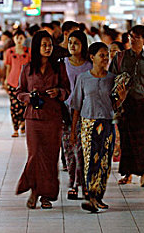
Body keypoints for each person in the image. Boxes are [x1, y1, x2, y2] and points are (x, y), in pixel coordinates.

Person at [69, 42, 127, 212]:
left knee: (104, 162)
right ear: (92, 57)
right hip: (88, 124)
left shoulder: (112, 79)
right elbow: (76, 106)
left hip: (107, 124)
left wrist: (121, 98)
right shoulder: (83, 78)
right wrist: (73, 131)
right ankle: (92, 197)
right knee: (90, 162)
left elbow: (114, 106)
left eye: (107, 55)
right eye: (102, 55)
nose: (105, 58)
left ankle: (98, 197)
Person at [16, 31, 70, 210]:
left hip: (53, 117)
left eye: (50, 45)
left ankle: (46, 196)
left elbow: (67, 90)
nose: (48, 48)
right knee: (34, 156)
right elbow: (18, 92)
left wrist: (58, 93)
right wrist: (28, 98)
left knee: (50, 157)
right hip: (33, 117)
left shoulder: (59, 68)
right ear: (37, 47)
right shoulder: (27, 68)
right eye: (44, 45)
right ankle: (33, 190)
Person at [109, 25, 144, 187]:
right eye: (131, 36)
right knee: (126, 139)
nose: (133, 39)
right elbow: (111, 79)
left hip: (142, 103)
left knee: (143, 139)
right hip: (124, 104)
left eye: (137, 37)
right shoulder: (120, 58)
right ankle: (128, 173)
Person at [62, 30, 92, 200]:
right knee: (69, 150)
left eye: (76, 43)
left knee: (82, 150)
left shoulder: (89, 65)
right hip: (66, 112)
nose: (72, 46)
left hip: (84, 112)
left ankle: (83, 184)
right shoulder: (63, 63)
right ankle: (72, 182)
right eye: (70, 42)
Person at [4, 30, 31, 137]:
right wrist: (6, 80)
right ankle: (15, 128)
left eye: (21, 38)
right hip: (13, 81)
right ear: (14, 39)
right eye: (17, 38)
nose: (19, 40)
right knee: (14, 105)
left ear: (24, 39)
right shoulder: (9, 52)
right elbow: (8, 67)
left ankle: (23, 123)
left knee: (24, 104)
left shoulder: (29, 52)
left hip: (26, 82)